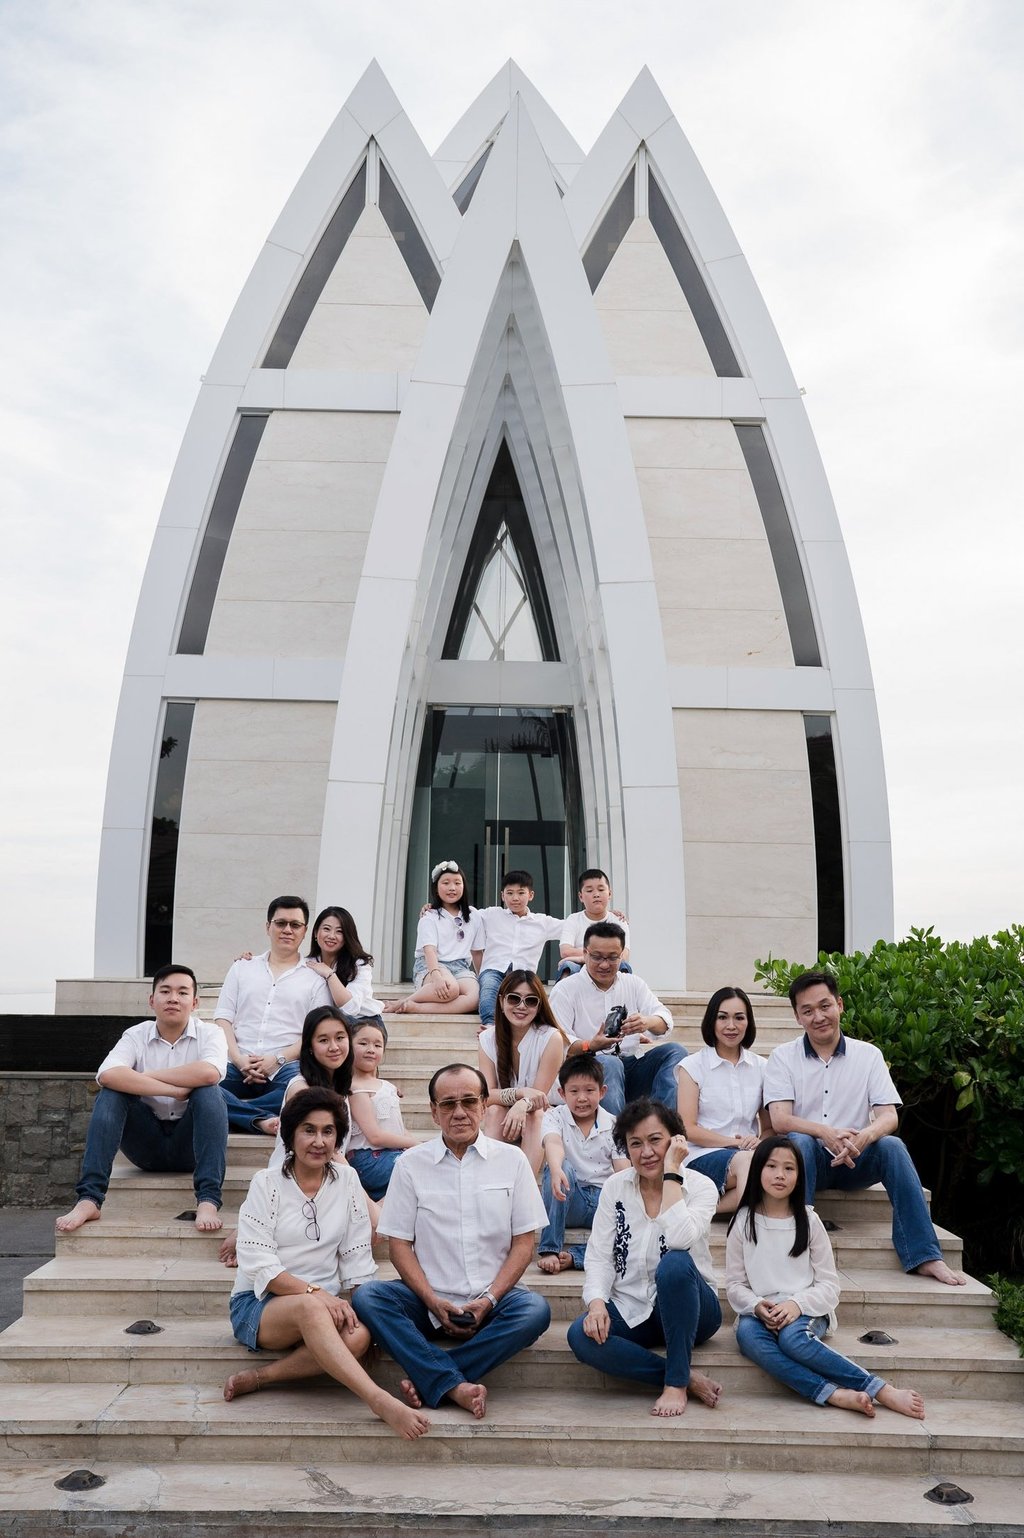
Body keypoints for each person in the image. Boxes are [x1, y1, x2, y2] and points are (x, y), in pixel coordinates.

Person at [223, 1087, 429, 1440]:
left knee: (359, 1335)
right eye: (309, 1130)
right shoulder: (266, 1183)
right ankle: (378, 1400)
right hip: (260, 1305)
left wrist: (364, 1307)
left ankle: (262, 1378)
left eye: (328, 1131)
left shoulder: (347, 1180)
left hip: (325, 1304)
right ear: (290, 1135)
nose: (319, 1141)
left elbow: (356, 1255)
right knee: (308, 1308)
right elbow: (260, 1265)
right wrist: (318, 1294)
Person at [352, 1063, 551, 1420]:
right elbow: (398, 1245)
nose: (458, 1112)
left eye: (468, 1101)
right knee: (369, 1297)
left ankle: (438, 1378)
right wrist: (431, 1299)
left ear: (484, 1105)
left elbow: (524, 1243)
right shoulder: (411, 1165)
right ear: (433, 1111)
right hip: (427, 1300)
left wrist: (489, 1300)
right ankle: (452, 1382)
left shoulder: (513, 1161)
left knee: (535, 1310)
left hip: (493, 1302)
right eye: (447, 1104)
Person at [765, 970, 964, 1286]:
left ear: (840, 1005)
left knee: (893, 1146)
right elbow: (780, 1120)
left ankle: (924, 1255)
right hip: (806, 1162)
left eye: (825, 1006)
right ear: (797, 1016)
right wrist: (826, 1133)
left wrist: (863, 1136)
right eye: (808, 1010)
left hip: (855, 1159)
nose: (818, 1016)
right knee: (799, 1140)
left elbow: (889, 1117)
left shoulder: (868, 1055)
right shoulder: (782, 1057)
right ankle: (796, 1246)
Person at [726, 1136, 926, 1419]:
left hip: (807, 1310)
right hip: (760, 1311)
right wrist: (757, 1305)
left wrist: (796, 1305)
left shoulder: (809, 1220)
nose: (780, 1175)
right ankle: (831, 1393)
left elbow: (829, 1286)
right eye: (771, 1166)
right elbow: (734, 1284)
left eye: (789, 1168)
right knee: (747, 1336)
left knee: (792, 1340)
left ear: (800, 1176)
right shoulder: (743, 1221)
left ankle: (880, 1389)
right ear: (758, 1170)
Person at [567, 1098, 723, 1416]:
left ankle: (675, 1385)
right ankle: (684, 1376)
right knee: (579, 1335)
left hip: (694, 1309)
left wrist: (671, 1175)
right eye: (635, 1143)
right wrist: (597, 1303)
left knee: (676, 1264)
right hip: (633, 1308)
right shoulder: (615, 1187)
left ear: (676, 1140)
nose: (646, 1152)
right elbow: (598, 1255)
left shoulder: (702, 1187)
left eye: (655, 1140)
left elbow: (680, 1239)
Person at [56, 965, 227, 1235]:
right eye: (165, 991)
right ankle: (89, 1199)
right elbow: (109, 1074)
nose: (173, 998)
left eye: (182, 992)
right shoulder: (136, 1035)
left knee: (209, 1092)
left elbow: (209, 1073)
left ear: (194, 1003)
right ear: (152, 1000)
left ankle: (208, 1200)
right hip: (145, 1145)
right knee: (112, 1093)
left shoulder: (211, 1033)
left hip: (189, 1145)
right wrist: (174, 1089)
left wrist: (145, 1076)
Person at [219, 1004, 358, 1268]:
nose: (334, 1046)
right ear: (309, 1047)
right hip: (292, 1184)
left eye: (340, 1038)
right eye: (323, 1040)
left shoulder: (339, 1086)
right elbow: (326, 1149)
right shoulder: (301, 1088)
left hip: (325, 1179)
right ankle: (251, 1229)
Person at [214, 896, 331, 1134]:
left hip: (286, 1064)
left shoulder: (315, 977)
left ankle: (231, 1113)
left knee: (305, 1093)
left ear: (305, 931)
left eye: (295, 925)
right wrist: (237, 1059)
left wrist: (277, 1059)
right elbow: (223, 1018)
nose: (287, 930)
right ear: (268, 927)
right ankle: (261, 1119)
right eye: (280, 923)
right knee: (201, 1088)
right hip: (238, 1061)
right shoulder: (242, 968)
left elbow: (315, 1033)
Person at [548, 922, 686, 1116]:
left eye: (612, 958)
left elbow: (664, 1020)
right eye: (597, 957)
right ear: (585, 954)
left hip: (630, 1065)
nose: (604, 964)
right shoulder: (566, 989)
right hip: (587, 1069)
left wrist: (646, 1022)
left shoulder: (633, 983)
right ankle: (617, 1138)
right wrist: (590, 1045)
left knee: (675, 1052)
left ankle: (662, 1124)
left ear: (621, 956)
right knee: (610, 1063)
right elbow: (558, 1041)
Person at [676, 986, 768, 1215]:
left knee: (776, 1166)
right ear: (712, 1021)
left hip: (748, 1155)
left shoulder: (762, 1067)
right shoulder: (693, 1066)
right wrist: (734, 1143)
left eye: (739, 1017)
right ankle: (749, 1229)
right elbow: (687, 1129)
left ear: (749, 1022)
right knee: (750, 1164)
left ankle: (699, 1211)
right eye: (722, 1017)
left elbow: (769, 1128)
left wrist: (759, 1141)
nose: (731, 1026)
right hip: (703, 1156)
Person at [537, 1054, 629, 1273]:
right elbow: (553, 1142)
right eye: (574, 1091)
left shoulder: (614, 1124)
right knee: (559, 1168)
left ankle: (574, 1256)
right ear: (562, 1093)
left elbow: (622, 1169)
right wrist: (557, 1168)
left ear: (602, 1092)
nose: (581, 1098)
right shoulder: (554, 1116)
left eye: (589, 1090)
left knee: (632, 1224)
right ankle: (550, 1248)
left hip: (602, 1201)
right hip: (568, 1197)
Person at [478, 971, 566, 1173]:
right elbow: (486, 1095)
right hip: (505, 1116)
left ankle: (526, 1188)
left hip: (546, 1113)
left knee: (536, 1115)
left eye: (531, 1001)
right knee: (493, 1111)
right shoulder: (487, 1039)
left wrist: (522, 1103)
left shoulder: (551, 1038)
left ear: (539, 1006)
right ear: (501, 1001)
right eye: (514, 998)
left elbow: (538, 1097)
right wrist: (519, 1094)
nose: (521, 1006)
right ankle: (489, 1181)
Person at [384, 861, 481, 1014]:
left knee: (475, 998)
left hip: (461, 968)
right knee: (452, 989)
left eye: (457, 883)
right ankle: (406, 1001)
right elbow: (430, 951)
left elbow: (476, 952)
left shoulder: (474, 915)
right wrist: (436, 976)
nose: (452, 888)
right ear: (436, 888)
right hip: (432, 965)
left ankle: (413, 1006)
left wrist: (482, 979)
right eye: (446, 883)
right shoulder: (429, 916)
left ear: (464, 886)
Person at [472, 869, 565, 1026]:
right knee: (488, 989)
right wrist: (432, 909)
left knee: (527, 999)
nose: (515, 898)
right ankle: (490, 1025)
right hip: (494, 969)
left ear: (531, 895)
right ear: (502, 896)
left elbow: (575, 926)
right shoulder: (491, 915)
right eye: (510, 893)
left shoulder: (542, 922)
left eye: (521, 893)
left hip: (524, 974)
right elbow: (461, 914)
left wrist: (605, 915)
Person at [346, 1018, 418, 1200]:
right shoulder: (355, 1088)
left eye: (377, 1045)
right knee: (421, 1170)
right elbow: (375, 1136)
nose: (371, 1049)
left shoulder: (386, 1085)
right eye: (363, 1043)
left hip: (390, 1154)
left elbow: (398, 1129)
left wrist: (417, 1145)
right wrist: (415, 1146)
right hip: (369, 1158)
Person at [305, 906, 384, 1020]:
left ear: (347, 937)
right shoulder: (308, 964)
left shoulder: (359, 965)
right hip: (327, 1023)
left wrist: (330, 974)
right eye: (326, 929)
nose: (331, 936)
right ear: (316, 932)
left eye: (339, 931)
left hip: (362, 1022)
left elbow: (350, 1008)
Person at [556, 868, 632, 979]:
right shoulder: (573, 919)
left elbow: (623, 955)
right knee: (567, 966)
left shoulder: (618, 920)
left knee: (623, 966)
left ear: (609, 893)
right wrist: (591, 958)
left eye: (601, 890)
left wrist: (586, 957)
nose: (596, 894)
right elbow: (565, 952)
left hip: (609, 964)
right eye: (589, 891)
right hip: (578, 966)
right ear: (581, 896)